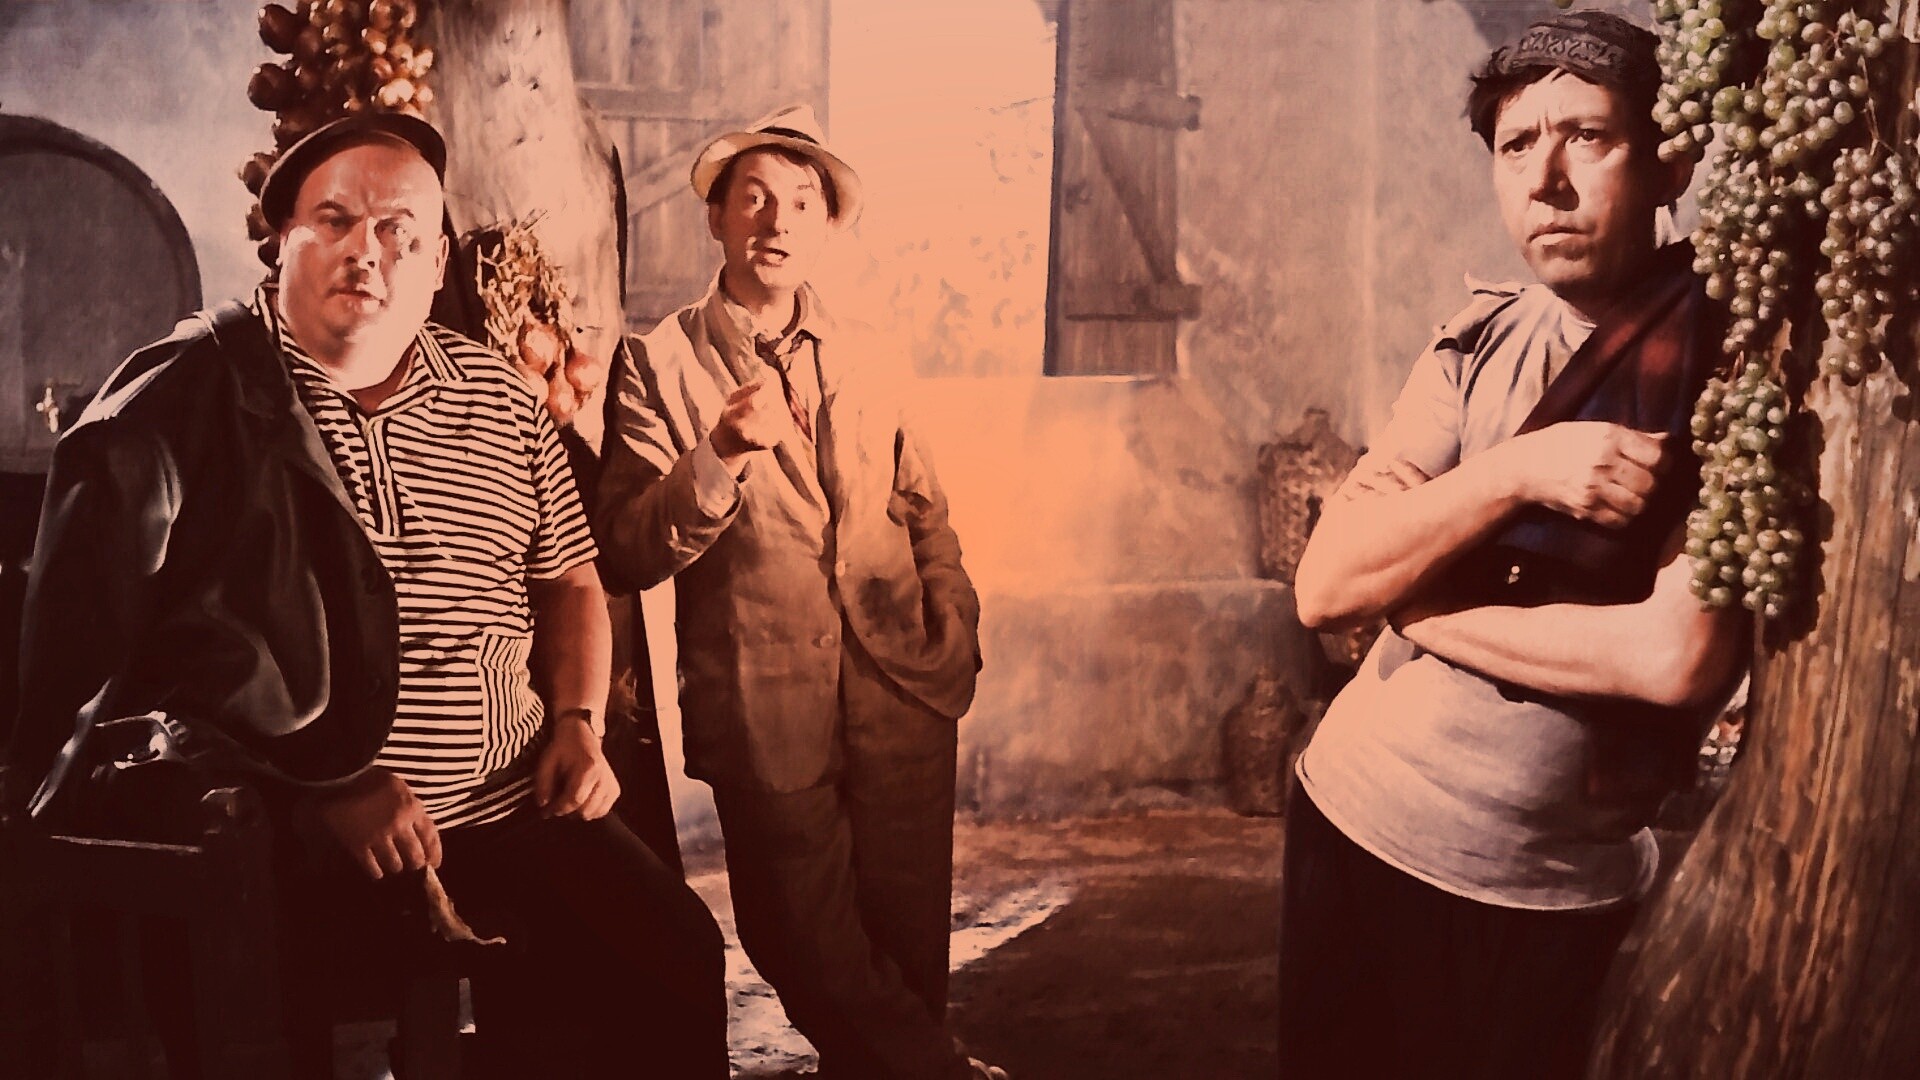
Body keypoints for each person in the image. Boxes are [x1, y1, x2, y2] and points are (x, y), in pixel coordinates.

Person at [4, 113, 727, 1078]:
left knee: (670, 960)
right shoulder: (187, 402)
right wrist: (321, 786)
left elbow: (568, 580)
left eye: (399, 231)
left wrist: (577, 722)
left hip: (513, 801)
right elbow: (120, 683)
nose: (367, 251)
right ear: (281, 242)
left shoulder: (503, 402)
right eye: (334, 220)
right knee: (267, 1033)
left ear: (437, 265)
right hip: (289, 836)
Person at [1280, 12, 1746, 1080]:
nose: (1546, 182)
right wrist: (1518, 472)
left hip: (1549, 887)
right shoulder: (1475, 341)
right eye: (1515, 145)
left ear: (1670, 161)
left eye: (1588, 136)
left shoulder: (1724, 370)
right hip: (1353, 816)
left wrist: (1421, 605)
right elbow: (1327, 587)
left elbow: (1676, 659)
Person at [595, 105, 1000, 1080]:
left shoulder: (872, 347)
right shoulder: (658, 362)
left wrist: (953, 626)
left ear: (826, 226)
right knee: (800, 943)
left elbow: (926, 507)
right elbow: (628, 548)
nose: (778, 221)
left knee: (906, 946)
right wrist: (722, 453)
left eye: (803, 203)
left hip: (903, 689)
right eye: (755, 198)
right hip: (761, 703)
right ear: (717, 217)